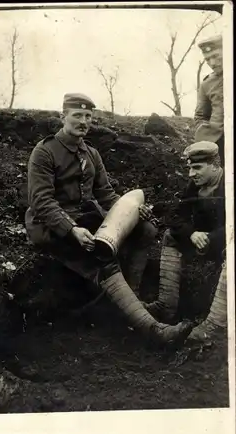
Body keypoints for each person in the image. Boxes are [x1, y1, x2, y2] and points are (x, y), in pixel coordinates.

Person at [25, 92, 193, 345]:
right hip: (51, 225)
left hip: (86, 218)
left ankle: (133, 305)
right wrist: (72, 229)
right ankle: (152, 329)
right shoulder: (45, 152)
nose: (83, 121)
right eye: (77, 115)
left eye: (88, 116)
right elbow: (42, 202)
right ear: (63, 117)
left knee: (145, 229)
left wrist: (133, 211)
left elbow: (105, 194)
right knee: (102, 253)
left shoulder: (91, 153)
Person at [145, 141, 227, 342]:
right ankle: (166, 305)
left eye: (197, 167)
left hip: (224, 241)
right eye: (189, 168)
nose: (191, 174)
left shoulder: (229, 183)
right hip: (204, 242)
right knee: (170, 236)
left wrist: (212, 238)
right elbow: (175, 215)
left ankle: (216, 324)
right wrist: (191, 233)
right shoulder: (195, 185)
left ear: (216, 165)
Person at [194, 35, 224, 167]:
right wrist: (208, 138)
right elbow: (200, 116)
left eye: (217, 57)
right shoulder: (207, 84)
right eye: (207, 59)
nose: (212, 63)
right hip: (219, 142)